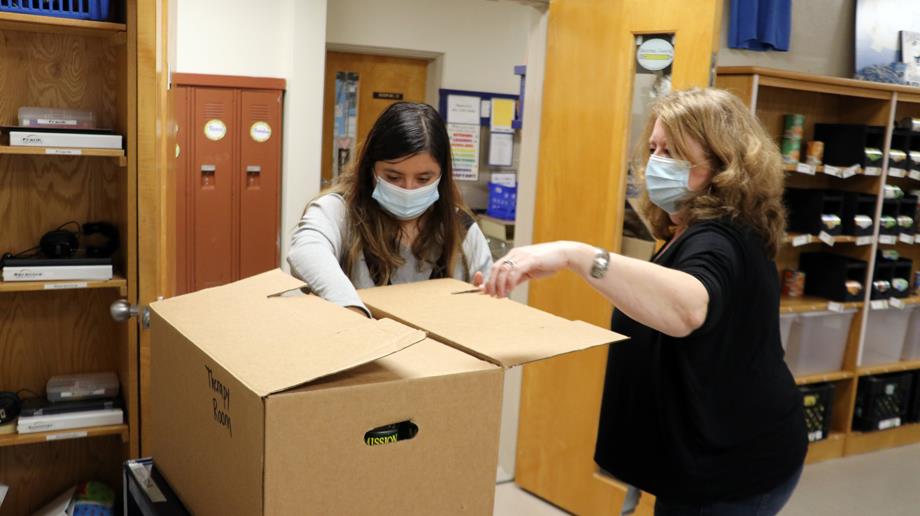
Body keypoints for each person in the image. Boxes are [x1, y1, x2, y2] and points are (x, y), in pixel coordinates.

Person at [483, 88, 807, 516]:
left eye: (672, 151)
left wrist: (574, 255)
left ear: (722, 164)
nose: (656, 161)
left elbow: (687, 309)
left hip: (734, 471)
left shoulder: (719, 238)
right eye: (654, 147)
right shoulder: (693, 230)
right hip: (714, 453)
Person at [288, 102, 492, 316]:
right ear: (371, 169)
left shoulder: (460, 228)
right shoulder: (338, 211)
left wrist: (482, 304)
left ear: (441, 176)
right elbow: (306, 251)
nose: (408, 189)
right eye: (393, 177)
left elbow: (489, 306)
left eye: (424, 179)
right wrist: (350, 307)